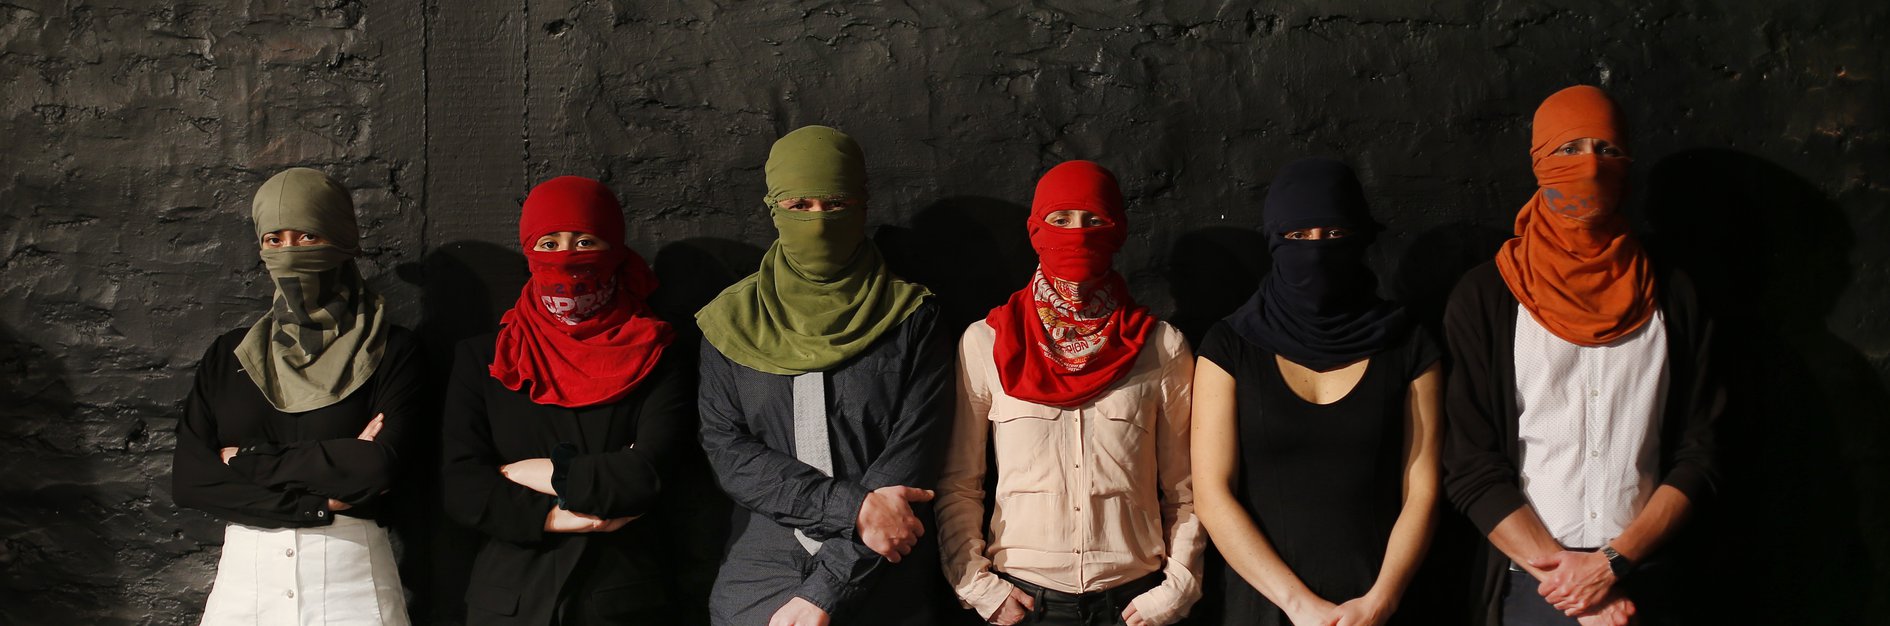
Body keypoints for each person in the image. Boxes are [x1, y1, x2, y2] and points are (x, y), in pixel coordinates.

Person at [1441, 85, 1723, 626]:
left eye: (1607, 150)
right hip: (1529, 587)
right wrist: (1572, 584)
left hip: (1647, 580)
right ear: (1539, 162)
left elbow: (1700, 452)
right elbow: (1470, 463)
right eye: (1568, 149)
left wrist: (1612, 565)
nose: (1590, 166)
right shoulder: (1487, 297)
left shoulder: (1673, 294)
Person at [695, 125, 952, 626]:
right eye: (800, 205)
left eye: (835, 204)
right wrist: (851, 509)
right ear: (774, 209)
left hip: (882, 580)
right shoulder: (729, 322)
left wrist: (826, 590)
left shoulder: (911, 316)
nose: (817, 221)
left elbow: (912, 458)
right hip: (758, 583)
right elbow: (728, 452)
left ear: (862, 205)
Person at [936, 160, 1205, 626]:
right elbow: (959, 483)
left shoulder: (1160, 346)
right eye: (1061, 219)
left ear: (1117, 230)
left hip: (1134, 604)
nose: (1077, 234)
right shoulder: (987, 342)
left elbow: (1186, 489)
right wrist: (978, 588)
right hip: (1024, 603)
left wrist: (1177, 589)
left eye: (1093, 220)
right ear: (1036, 230)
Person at [1191, 158, 1443, 626]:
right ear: (1275, 239)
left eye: (1334, 233)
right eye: (1298, 235)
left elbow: (1422, 488)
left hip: (1379, 610)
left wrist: (1381, 601)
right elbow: (1211, 493)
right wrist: (1298, 605)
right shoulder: (1229, 345)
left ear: (1360, 236)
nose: (1317, 250)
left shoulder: (1408, 343)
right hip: (1263, 607)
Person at [441, 175, 694, 625]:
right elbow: (462, 487)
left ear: (614, 247)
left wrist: (528, 473)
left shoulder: (657, 351)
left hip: (622, 603)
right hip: (508, 605)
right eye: (549, 243)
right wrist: (556, 517)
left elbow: (647, 474)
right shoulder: (485, 358)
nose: (566, 256)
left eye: (585, 241)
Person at [173, 167, 419, 625]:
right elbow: (190, 480)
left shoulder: (390, 350)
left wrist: (243, 460)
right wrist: (319, 501)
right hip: (244, 595)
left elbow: (378, 467)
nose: (289, 253)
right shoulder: (230, 356)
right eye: (274, 239)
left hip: (353, 592)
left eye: (308, 236)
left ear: (341, 240)